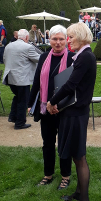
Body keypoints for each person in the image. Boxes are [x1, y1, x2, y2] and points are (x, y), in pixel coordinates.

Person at [46, 22, 97, 201]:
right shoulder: (83, 56)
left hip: (76, 113)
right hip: (73, 111)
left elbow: (70, 85)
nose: (68, 41)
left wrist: (52, 102)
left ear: (81, 36)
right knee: (77, 156)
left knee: (79, 157)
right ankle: (78, 193)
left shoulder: (85, 57)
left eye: (71, 37)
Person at [28, 25, 74, 189]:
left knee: (63, 143)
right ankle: (48, 174)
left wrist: (59, 103)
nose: (58, 42)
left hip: (64, 109)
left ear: (66, 40)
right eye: (55, 39)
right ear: (50, 40)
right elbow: (36, 82)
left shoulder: (72, 58)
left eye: (61, 39)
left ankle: (65, 176)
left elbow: (72, 85)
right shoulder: (43, 57)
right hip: (45, 109)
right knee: (47, 143)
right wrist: (30, 102)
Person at [3, 29, 40, 130]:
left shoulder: (8, 46)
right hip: (22, 78)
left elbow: (4, 59)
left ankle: (13, 116)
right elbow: (39, 59)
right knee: (23, 100)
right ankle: (20, 123)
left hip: (10, 77)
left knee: (17, 97)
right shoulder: (28, 47)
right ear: (27, 37)